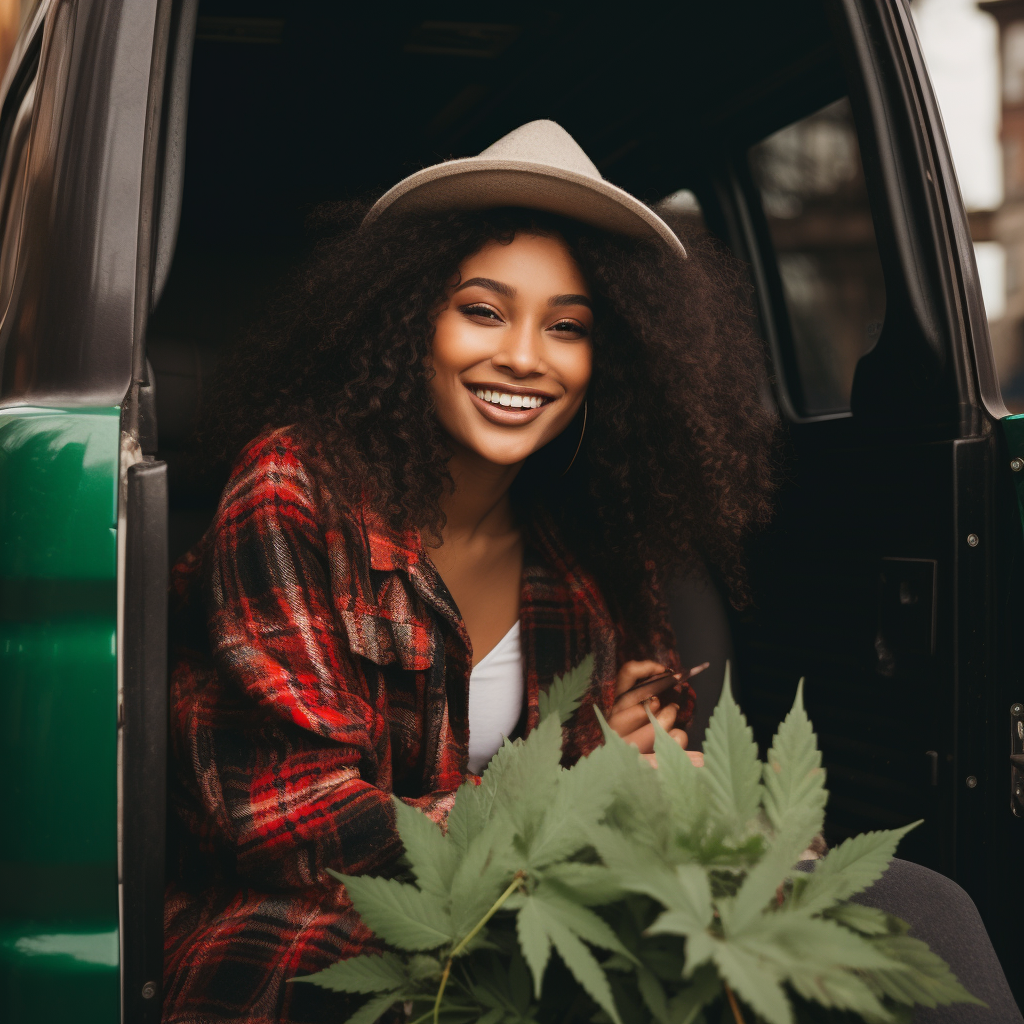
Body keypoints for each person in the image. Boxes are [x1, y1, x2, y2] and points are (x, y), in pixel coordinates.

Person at [161, 120, 777, 1023]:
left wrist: (630, 777)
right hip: (305, 941)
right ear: (410, 320)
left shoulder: (594, 549)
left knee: (922, 911)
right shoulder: (293, 490)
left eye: (567, 327)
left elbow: (640, 755)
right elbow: (299, 831)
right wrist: (579, 791)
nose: (524, 357)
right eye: (483, 310)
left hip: (532, 911)